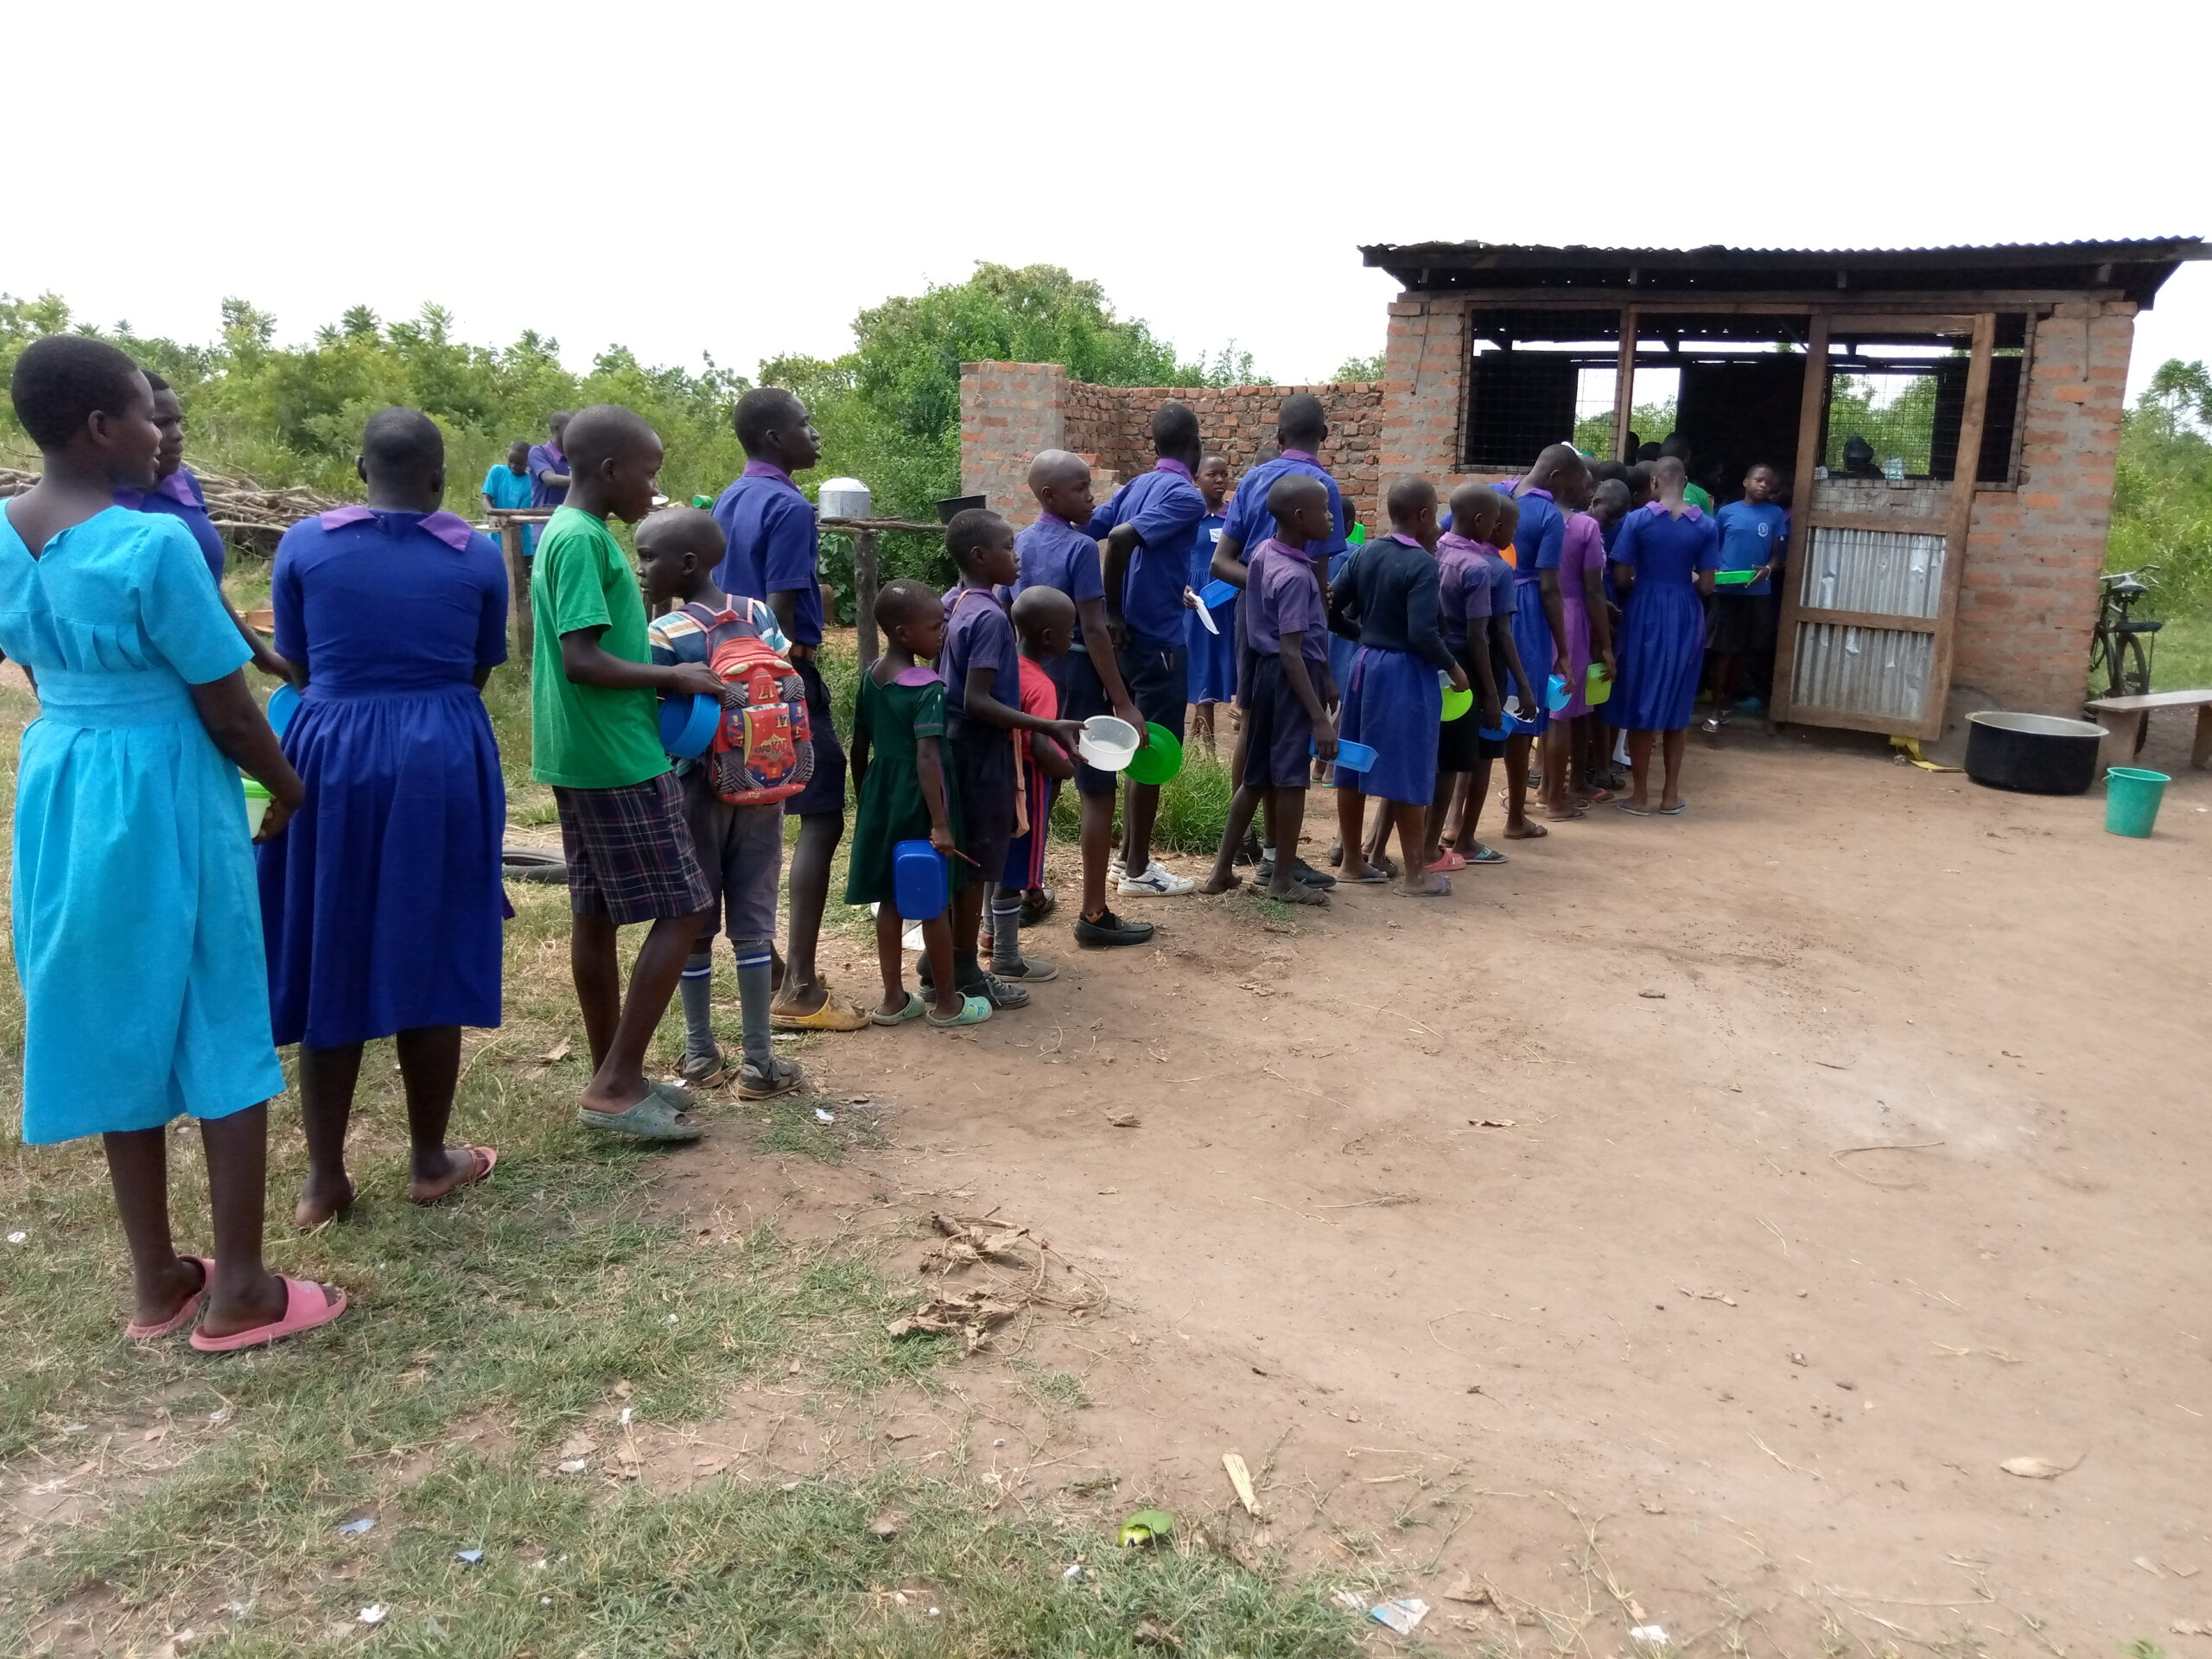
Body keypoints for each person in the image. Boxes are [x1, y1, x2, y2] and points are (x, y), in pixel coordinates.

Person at [1, 335, 343, 1351]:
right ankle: (240, 1288)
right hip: (163, 786)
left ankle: (159, 1279)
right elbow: (233, 714)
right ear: (102, 428)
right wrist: (291, 792)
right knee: (217, 1005)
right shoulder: (151, 546)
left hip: (63, 779)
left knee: (114, 1006)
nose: (162, 433)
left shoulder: (2, 534)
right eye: (148, 414)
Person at [257, 408, 507, 1226]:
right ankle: (430, 1159)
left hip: (328, 748)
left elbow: (295, 661)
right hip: (441, 749)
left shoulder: (303, 544)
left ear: (361, 469)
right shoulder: (475, 552)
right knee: (430, 941)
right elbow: (477, 667)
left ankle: (323, 1181)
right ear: (438, 477)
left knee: (335, 940)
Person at [531, 404, 724, 1142]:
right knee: (685, 907)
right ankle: (615, 1084)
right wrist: (676, 680)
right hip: (613, 753)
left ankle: (616, 1069)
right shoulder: (583, 542)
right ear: (609, 469)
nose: (655, 485)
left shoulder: (568, 534)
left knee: (597, 910)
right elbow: (583, 661)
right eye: (649, 470)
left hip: (581, 749)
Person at [635, 505, 806, 1102]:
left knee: (697, 920)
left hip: (693, 786)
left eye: (648, 558)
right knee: (754, 924)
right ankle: (761, 1062)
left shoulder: (665, 634)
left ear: (686, 564)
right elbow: (786, 671)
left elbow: (651, 705)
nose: (641, 570)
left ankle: (702, 1051)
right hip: (766, 784)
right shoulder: (758, 613)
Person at [711, 388, 867, 1029]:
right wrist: (775, 687)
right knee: (822, 810)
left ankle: (771, 966)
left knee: (742, 823)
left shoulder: (729, 497)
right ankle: (798, 985)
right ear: (776, 438)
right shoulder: (789, 507)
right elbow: (777, 609)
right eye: (805, 424)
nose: (817, 433)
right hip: (776, 676)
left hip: (720, 673)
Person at [940, 508, 1084, 998]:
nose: (1016, 556)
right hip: (981, 754)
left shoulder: (957, 602)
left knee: (970, 862)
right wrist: (1048, 726)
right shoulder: (989, 618)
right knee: (982, 862)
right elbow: (976, 700)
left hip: (958, 747)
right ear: (980, 556)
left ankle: (953, 962)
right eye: (1007, 546)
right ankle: (970, 973)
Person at [1011, 449, 1151, 947]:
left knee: (1035, 785)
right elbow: (1094, 628)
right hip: (1076, 675)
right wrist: (1123, 701)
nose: (1092, 496)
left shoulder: (1019, 544)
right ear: (1050, 495)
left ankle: (1028, 892)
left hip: (1029, 677)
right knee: (1097, 788)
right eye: (1080, 488)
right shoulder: (1078, 549)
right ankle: (1093, 912)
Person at [1208, 393, 1348, 890]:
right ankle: (1277, 864)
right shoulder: (1320, 487)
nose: (1332, 521)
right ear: (1325, 437)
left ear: (1280, 436)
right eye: (1328, 518)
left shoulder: (1253, 486)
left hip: (1258, 627)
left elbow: (1222, 563)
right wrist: (1291, 596)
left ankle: (1247, 858)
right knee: (1287, 766)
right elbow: (1321, 584)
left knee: (1253, 729)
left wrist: (1264, 587)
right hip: (1292, 640)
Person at [845, 580, 990, 1030]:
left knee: (891, 896)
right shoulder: (928, 687)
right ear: (903, 633)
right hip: (921, 801)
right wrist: (941, 824)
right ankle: (947, 1003)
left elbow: (860, 741)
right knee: (932, 898)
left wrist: (865, 792)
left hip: (881, 794)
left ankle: (892, 999)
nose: (943, 631)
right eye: (934, 626)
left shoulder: (872, 676)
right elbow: (928, 756)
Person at [1332, 477, 1466, 896]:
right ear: (1425, 516)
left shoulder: (1365, 552)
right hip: (1406, 674)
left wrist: (1361, 634)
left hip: (1364, 666)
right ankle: (1415, 875)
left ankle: (1353, 860)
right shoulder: (1423, 564)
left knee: (1353, 761)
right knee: (1410, 767)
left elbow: (1331, 605)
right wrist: (1455, 668)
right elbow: (1423, 633)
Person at [1096, 402, 1207, 899]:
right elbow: (1119, 538)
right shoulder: (1185, 495)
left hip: (1127, 644)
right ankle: (1139, 869)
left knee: (1132, 745)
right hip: (1157, 641)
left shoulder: (1134, 487)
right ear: (1195, 448)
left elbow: (1092, 528)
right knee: (1150, 749)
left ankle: (1125, 858)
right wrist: (1113, 610)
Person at [117, 372, 289, 678]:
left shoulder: (183, 485)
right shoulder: (96, 509)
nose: (177, 434)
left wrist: (263, 658)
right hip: (143, 676)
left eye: (177, 422)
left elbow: (206, 587)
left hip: (209, 662)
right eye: (160, 422)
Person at [1611, 456, 1719, 816]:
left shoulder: (1637, 519)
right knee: (1678, 701)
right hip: (1686, 614)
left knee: (1643, 699)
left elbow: (1622, 579)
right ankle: (1670, 794)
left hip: (1644, 611)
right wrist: (1682, 579)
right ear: (1685, 482)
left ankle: (1639, 796)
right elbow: (1706, 586)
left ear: (1655, 482)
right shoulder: (1705, 525)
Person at [1439, 491, 1539, 865]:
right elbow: (1499, 635)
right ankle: (1465, 838)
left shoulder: (1436, 551)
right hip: (1483, 672)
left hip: (1445, 666)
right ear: (1492, 525)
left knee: (1451, 752)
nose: (1513, 534)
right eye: (1512, 527)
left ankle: (1449, 824)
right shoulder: (1494, 569)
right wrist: (1519, 686)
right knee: (1482, 755)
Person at [1497, 444, 1586, 836]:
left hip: (1482, 604)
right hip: (1526, 613)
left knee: (1483, 712)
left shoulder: (1495, 493)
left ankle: (1453, 822)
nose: (1572, 492)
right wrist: (1563, 651)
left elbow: (1444, 533)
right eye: (1572, 483)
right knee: (1521, 716)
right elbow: (1551, 588)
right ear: (1555, 478)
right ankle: (1516, 818)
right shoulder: (1549, 514)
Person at [990, 585, 1077, 972]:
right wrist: (1070, 768)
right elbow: (1041, 748)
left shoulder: (1002, 666)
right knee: (1015, 872)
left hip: (994, 775)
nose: (1073, 635)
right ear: (1047, 637)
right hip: (1028, 785)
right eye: (1069, 629)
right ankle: (1007, 958)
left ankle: (988, 936)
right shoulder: (1042, 685)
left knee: (993, 863)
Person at [1425, 488, 1505, 873]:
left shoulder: (1430, 551)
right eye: (1493, 520)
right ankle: (1433, 847)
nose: (1496, 527)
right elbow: (1479, 636)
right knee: (1451, 760)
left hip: (1426, 656)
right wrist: (1489, 695)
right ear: (1479, 522)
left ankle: (1378, 844)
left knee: (1426, 751)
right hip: (1462, 668)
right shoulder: (1478, 568)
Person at [1548, 481, 1618, 811]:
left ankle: (1555, 785)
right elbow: (1593, 590)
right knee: (1563, 708)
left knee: (1551, 703)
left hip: (1537, 613)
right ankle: (1555, 798)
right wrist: (1605, 646)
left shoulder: (1534, 518)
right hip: (1572, 618)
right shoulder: (1585, 526)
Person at [1704, 463, 1789, 733]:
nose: (1763, 485)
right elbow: (1713, 549)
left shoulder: (1774, 514)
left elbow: (1778, 556)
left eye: (1768, 483)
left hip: (1757, 593)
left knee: (1744, 652)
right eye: (1758, 480)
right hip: (1726, 591)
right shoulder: (1726, 512)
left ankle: (1728, 702)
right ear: (1745, 482)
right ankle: (1715, 709)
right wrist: (1714, 572)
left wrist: (1768, 569)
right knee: (1723, 651)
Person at [1583, 477, 1634, 792]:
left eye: (1616, 519)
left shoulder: (1613, 529)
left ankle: (1598, 766)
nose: (1609, 523)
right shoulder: (1581, 529)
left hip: (1602, 621)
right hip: (1586, 621)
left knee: (1599, 695)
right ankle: (1585, 770)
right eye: (1607, 516)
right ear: (1594, 500)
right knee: (1577, 698)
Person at [1185, 453, 1235, 756]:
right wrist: (1182, 586)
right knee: (1202, 667)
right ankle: (1210, 753)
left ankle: (1196, 747)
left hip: (1226, 600)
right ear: (1196, 479)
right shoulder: (1190, 517)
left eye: (1224, 474)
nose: (1219, 480)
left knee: (1219, 666)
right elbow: (1176, 556)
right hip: (1197, 604)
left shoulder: (1233, 518)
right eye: (1212, 474)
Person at [481, 439, 538, 556]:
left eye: (518, 463)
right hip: (496, 542)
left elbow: (522, 515)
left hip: (521, 545)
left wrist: (504, 521)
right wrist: (492, 515)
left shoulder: (530, 483)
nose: (513, 465)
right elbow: (486, 499)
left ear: (528, 463)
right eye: (510, 461)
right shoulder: (497, 471)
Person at [1660, 433, 1714, 512]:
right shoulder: (1700, 495)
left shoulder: (1648, 490)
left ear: (1658, 460)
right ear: (1687, 460)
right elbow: (1709, 524)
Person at [529, 412, 571, 513]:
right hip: (544, 521)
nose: (575, 432)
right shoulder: (539, 452)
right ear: (557, 429)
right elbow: (550, 480)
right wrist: (585, 481)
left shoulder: (576, 455)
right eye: (571, 427)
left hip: (571, 520)